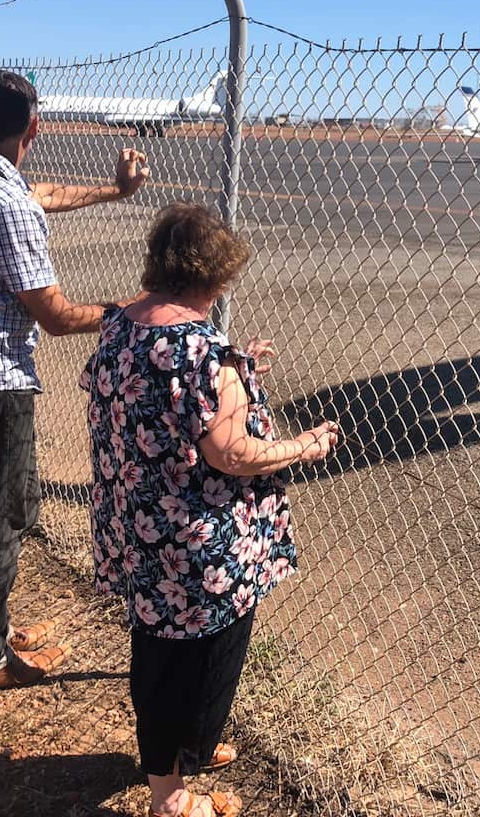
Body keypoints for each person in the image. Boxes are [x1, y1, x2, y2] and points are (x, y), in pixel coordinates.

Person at [81, 203, 340, 817]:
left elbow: (171, 402)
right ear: (215, 274)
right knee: (200, 661)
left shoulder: (122, 326)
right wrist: (305, 445)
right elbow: (229, 452)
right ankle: (172, 796)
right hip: (199, 548)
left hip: (141, 531)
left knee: (157, 649)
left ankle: (184, 753)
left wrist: (237, 373)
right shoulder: (202, 351)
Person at [0, 69, 150, 694]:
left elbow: (32, 191)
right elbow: (54, 314)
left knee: (9, 507)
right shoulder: (8, 203)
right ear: (35, 127)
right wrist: (127, 312)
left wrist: (111, 193)